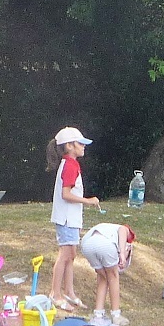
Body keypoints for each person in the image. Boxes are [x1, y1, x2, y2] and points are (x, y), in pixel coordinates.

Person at [47, 128, 99, 310]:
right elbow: (66, 194)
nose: (84, 146)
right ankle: (55, 294)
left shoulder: (72, 164)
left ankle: (69, 292)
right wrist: (88, 201)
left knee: (71, 255)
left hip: (71, 218)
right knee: (65, 255)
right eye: (80, 143)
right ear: (69, 146)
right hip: (66, 218)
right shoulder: (70, 165)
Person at [80, 220, 135, 326]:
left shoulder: (107, 228)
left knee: (103, 277)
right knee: (113, 277)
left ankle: (98, 314)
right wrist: (122, 254)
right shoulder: (124, 231)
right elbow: (123, 229)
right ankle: (116, 315)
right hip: (104, 244)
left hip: (86, 245)